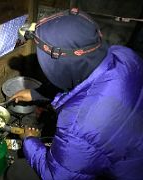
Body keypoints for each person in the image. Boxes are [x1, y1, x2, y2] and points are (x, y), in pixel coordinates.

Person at [8, 8, 143, 180]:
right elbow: (80, 80)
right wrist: (36, 94)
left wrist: (29, 141)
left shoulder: (78, 125)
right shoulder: (124, 55)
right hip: (131, 144)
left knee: (18, 171)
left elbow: (55, 176)